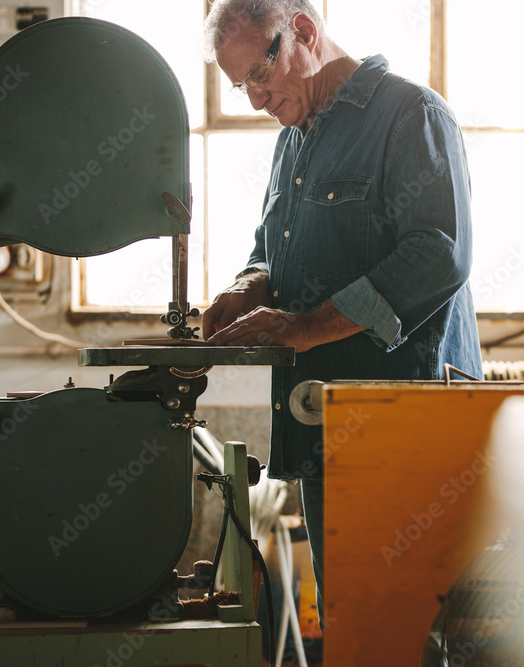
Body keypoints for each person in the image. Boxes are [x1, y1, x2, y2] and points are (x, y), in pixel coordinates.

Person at [201, 0, 482, 622]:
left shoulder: (411, 115)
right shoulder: (294, 140)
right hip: (329, 432)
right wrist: (251, 283)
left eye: (258, 75)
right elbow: (276, 248)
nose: (253, 100)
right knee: (355, 627)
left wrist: (303, 328)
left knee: (405, 632)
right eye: (239, 84)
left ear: (303, 30)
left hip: (405, 431)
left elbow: (439, 254)